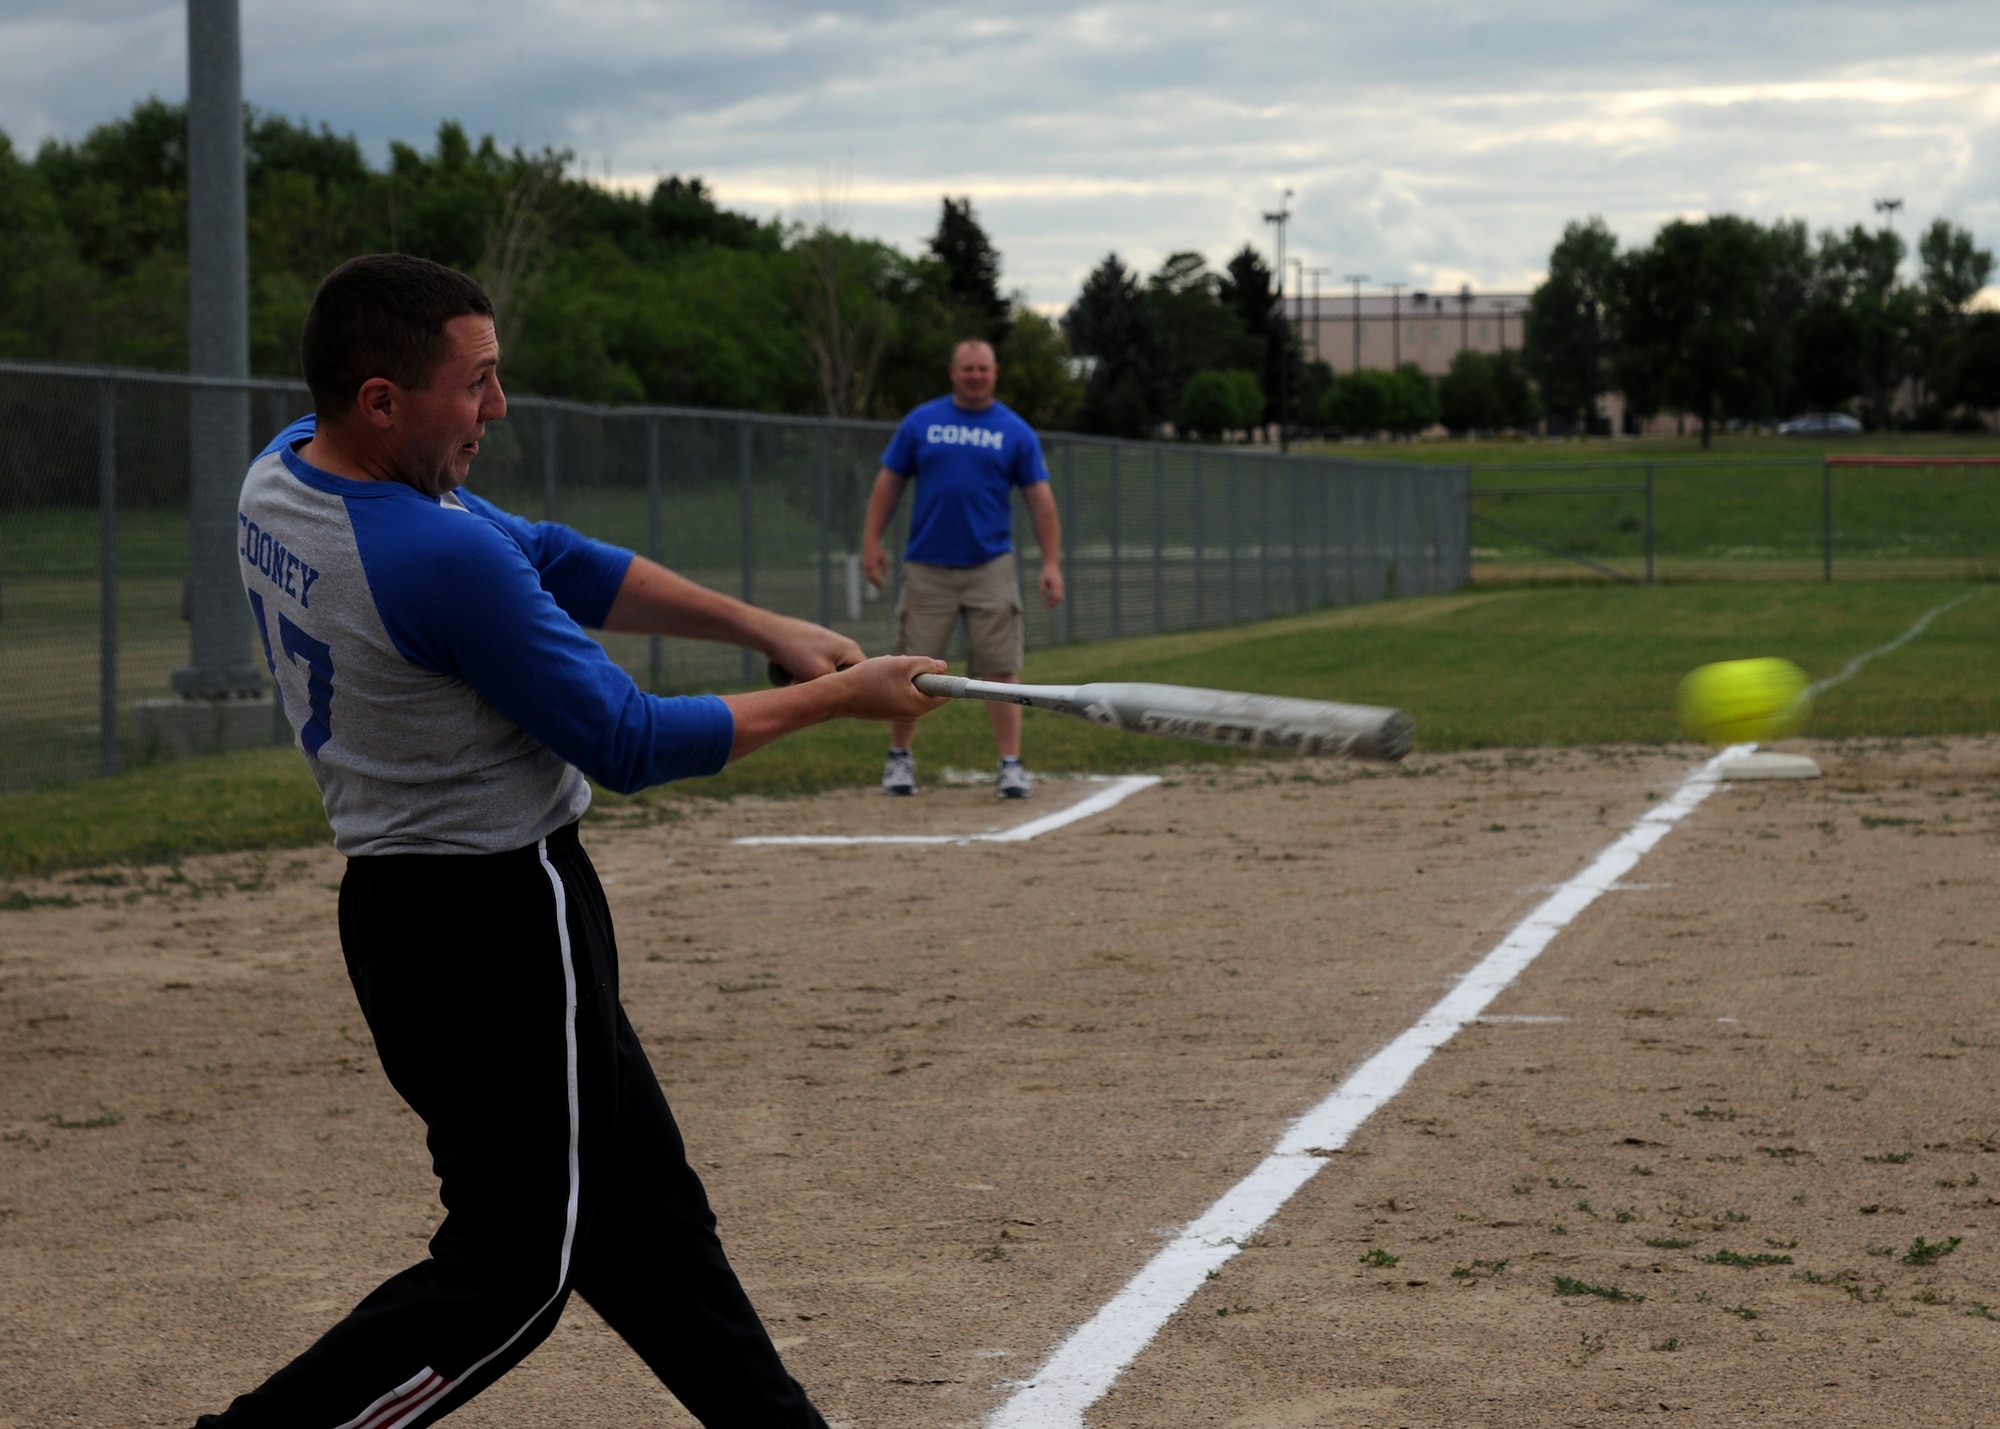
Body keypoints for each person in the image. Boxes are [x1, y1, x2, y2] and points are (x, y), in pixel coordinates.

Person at [201, 253, 945, 1429]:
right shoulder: (429, 555)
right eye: (476, 384)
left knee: (644, 1214)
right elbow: (628, 737)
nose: (497, 410)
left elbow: (546, 552)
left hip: (403, 913)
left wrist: (760, 626)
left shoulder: (287, 471)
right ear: (382, 399)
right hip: (496, 919)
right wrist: (840, 701)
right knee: (515, 1269)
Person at [861, 338, 1064, 799]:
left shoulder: (1015, 431)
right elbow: (889, 483)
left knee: (1002, 670)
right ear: (953, 373)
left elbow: (1040, 499)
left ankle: (1011, 765)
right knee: (908, 672)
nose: (976, 375)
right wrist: (871, 541)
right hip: (927, 566)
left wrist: (1051, 562)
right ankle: (899, 760)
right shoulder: (922, 422)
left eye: (984, 369)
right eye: (968, 368)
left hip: (990, 565)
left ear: (995, 373)